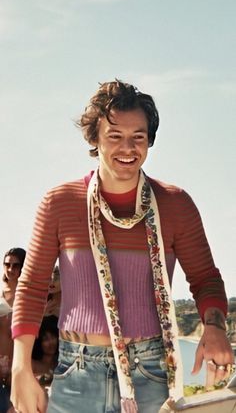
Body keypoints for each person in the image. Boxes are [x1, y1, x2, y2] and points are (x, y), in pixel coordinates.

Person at [10, 80, 234, 413]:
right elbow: (31, 287)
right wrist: (20, 369)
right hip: (77, 372)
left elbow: (205, 278)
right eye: (114, 136)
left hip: (153, 369)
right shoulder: (59, 202)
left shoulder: (175, 204)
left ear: (149, 141)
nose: (127, 148)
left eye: (138, 137)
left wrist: (214, 327)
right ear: (94, 139)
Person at [0, 248, 26, 413]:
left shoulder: (29, 296)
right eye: (7, 264)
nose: (10, 269)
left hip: (21, 368)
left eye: (16, 265)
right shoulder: (0, 295)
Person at [32, 316, 59, 390]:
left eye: (53, 337)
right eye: (45, 339)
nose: (51, 342)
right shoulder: (32, 364)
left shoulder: (60, 363)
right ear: (38, 342)